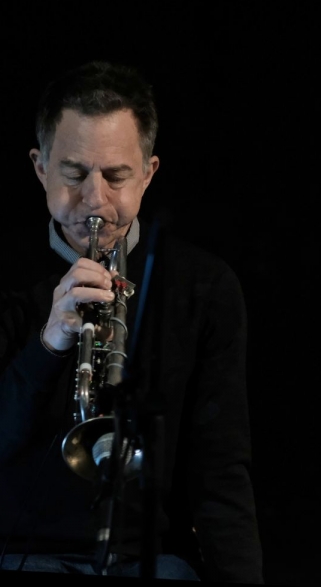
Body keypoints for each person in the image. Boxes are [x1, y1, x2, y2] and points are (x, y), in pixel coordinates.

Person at [0, 60, 264, 583]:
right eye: (73, 174)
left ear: (148, 173)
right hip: (18, 552)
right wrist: (48, 346)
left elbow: (221, 474)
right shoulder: (7, 278)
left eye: (116, 176)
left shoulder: (205, 287)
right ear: (40, 167)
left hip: (155, 559)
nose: (94, 201)